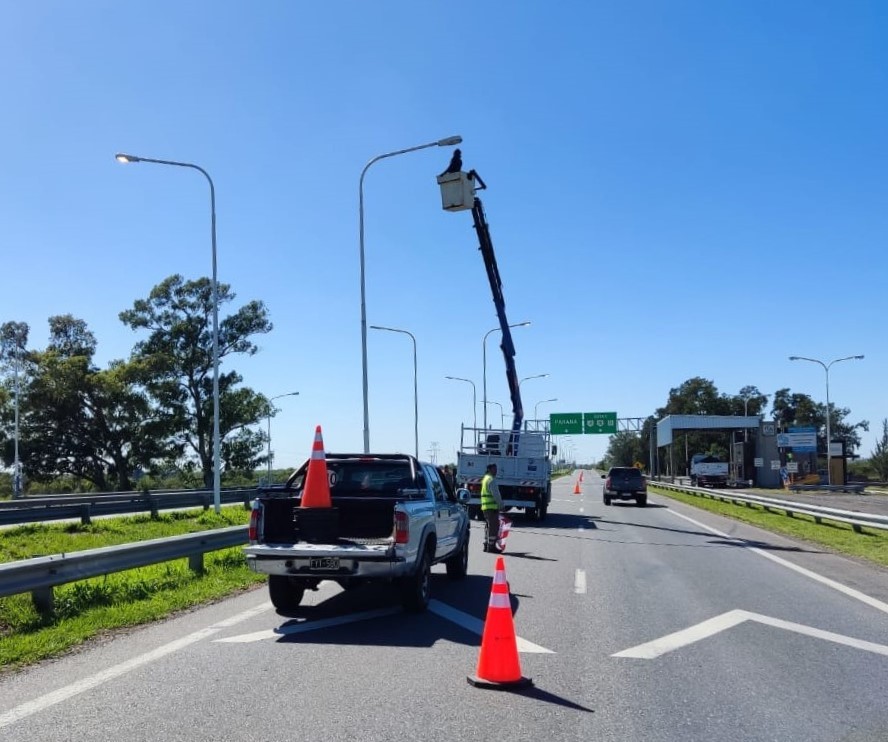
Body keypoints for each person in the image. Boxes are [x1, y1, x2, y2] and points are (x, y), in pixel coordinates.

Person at [480, 463, 504, 553]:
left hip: (486, 507)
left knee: (488, 526)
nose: (496, 471)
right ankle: (491, 547)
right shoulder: (491, 480)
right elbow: (496, 495)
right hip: (491, 508)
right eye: (494, 469)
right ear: (490, 469)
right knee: (493, 527)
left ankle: (486, 544)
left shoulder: (485, 479)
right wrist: (501, 505)